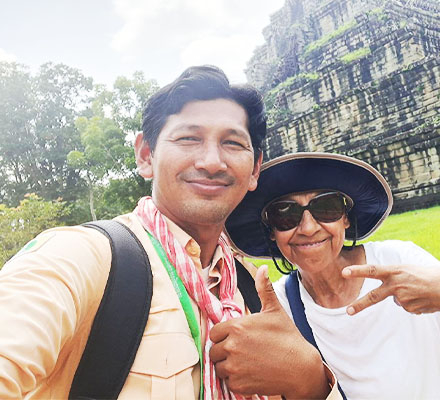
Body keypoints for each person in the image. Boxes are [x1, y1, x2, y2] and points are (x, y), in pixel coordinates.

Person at [0, 66, 340, 399]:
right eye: (189, 138)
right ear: (146, 155)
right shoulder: (83, 258)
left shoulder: (250, 286)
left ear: (254, 170)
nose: (211, 162)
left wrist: (309, 378)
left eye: (233, 143)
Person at [225, 152, 440, 399]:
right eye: (286, 214)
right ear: (272, 232)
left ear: (345, 219)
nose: (309, 228)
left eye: (326, 208)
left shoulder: (404, 263)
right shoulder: (279, 309)